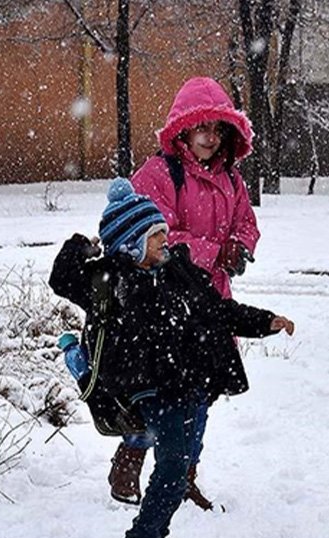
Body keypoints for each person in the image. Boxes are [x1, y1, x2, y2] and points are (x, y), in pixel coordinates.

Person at [49, 178, 294, 538]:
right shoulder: (111, 281)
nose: (165, 240)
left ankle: (154, 534)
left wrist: (265, 321)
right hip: (148, 387)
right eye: (155, 235)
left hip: (186, 381)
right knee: (173, 466)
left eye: (163, 232)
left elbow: (221, 310)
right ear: (131, 242)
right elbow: (63, 278)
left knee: (176, 466)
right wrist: (81, 246)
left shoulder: (180, 273)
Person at [115, 76, 260, 510]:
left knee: (203, 394)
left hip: (211, 304)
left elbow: (247, 224)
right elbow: (151, 236)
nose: (210, 138)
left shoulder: (232, 180)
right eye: (203, 128)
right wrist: (214, 251)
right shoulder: (159, 174)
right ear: (183, 128)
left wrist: (241, 248)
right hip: (166, 306)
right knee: (162, 393)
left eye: (218, 130)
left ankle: (183, 475)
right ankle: (133, 454)